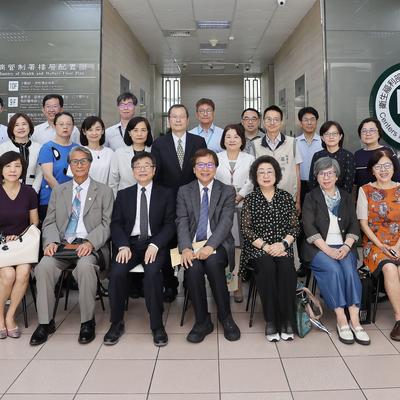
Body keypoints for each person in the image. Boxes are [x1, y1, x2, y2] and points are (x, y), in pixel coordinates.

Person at [29, 146, 114, 346]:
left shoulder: (104, 190)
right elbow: (48, 222)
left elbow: (108, 223)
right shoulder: (59, 191)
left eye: (83, 161)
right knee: (44, 267)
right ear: (69, 165)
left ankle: (87, 322)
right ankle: (45, 322)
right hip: (62, 245)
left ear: (90, 163)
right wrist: (50, 242)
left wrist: (91, 242)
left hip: (90, 246)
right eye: (75, 162)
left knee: (85, 267)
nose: (79, 165)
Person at [105, 152, 176, 346]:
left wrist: (155, 245)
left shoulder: (166, 193)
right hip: (130, 245)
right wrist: (122, 246)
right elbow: (116, 224)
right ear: (133, 171)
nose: (142, 169)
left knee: (153, 273)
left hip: (155, 244)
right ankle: (116, 322)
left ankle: (157, 325)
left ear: (154, 170)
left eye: (147, 166)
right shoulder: (123, 194)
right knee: (117, 273)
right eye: (138, 166)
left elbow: (170, 225)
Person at [301, 157, 370, 345]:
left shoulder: (346, 197)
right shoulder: (311, 196)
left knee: (349, 270)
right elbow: (308, 226)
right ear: (317, 176)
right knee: (333, 270)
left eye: (330, 173)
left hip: (343, 246)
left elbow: (354, 227)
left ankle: (355, 321)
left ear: (337, 175)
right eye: (322, 174)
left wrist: (346, 247)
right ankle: (341, 319)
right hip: (318, 248)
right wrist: (328, 250)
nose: (326, 177)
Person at [176, 148, 241, 343]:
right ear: (194, 169)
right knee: (193, 269)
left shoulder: (227, 190)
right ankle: (202, 320)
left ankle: (225, 316)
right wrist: (186, 248)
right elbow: (181, 221)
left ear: (216, 168)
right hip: (192, 244)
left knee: (213, 264)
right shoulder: (184, 191)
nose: (206, 169)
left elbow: (226, 222)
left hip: (218, 244)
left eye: (210, 164)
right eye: (201, 165)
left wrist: (210, 246)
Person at [240, 155, 300, 342]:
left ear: (277, 174)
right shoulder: (250, 199)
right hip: (258, 248)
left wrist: (282, 244)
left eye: (270, 171)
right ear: (255, 176)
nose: (266, 175)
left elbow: (295, 227)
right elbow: (246, 230)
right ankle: (271, 320)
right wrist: (267, 247)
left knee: (286, 269)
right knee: (267, 268)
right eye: (261, 172)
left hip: (282, 246)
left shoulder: (285, 197)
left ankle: (287, 320)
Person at [152, 104, 206, 302]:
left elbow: (202, 170)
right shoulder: (159, 144)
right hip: (167, 201)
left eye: (181, 116)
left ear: (188, 119)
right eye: (173, 117)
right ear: (169, 120)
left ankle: (190, 283)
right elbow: (156, 176)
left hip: (194, 200)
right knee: (169, 243)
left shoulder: (198, 141)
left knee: (191, 241)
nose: (177, 120)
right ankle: (170, 283)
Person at [357, 150, 400, 341]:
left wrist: (397, 247)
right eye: (378, 166)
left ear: (394, 168)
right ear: (372, 170)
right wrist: (382, 246)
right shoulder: (365, 190)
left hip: (399, 241)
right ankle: (399, 319)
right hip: (374, 244)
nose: (383, 170)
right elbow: (363, 224)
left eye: (387, 165)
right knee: (390, 268)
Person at [0, 151, 39, 339]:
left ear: (23, 169)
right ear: (1, 170)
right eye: (8, 166)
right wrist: (4, 237)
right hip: (1, 245)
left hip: (23, 245)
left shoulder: (29, 192)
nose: (12, 170)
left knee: (23, 272)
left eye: (17, 165)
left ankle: (10, 316)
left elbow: (34, 223)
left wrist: (19, 237)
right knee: (8, 275)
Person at [215, 124, 254, 302]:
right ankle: (220, 286)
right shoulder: (215, 157)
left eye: (236, 136)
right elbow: (211, 179)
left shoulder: (250, 159)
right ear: (223, 140)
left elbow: (251, 182)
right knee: (220, 246)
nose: (232, 140)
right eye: (228, 136)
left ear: (242, 140)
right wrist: (225, 200)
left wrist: (237, 198)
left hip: (242, 207)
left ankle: (237, 286)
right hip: (219, 208)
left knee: (238, 248)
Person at [253, 105, 303, 214]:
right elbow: (253, 175)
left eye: (276, 119)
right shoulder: (256, 145)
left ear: (281, 122)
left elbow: (297, 173)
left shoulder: (292, 143)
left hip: (289, 199)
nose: (272, 123)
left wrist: (298, 201)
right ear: (263, 122)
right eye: (268, 119)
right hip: (264, 200)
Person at [38, 112, 79, 221]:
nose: (65, 127)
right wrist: (64, 196)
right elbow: (48, 176)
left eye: (68, 124)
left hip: (75, 199)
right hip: (51, 199)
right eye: (61, 124)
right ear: (54, 127)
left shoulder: (77, 148)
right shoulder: (47, 147)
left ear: (73, 127)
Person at [353, 118, 400, 203]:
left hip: (388, 200)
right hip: (364, 200)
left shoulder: (388, 152)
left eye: (372, 130)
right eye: (364, 131)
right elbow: (355, 183)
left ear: (379, 134)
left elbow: (397, 177)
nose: (368, 134)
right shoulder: (357, 155)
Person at [109, 116, 153, 198]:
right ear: (129, 132)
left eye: (143, 130)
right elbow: (113, 182)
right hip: (125, 198)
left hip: (149, 198)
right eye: (135, 130)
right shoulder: (119, 153)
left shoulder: (154, 152)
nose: (139, 134)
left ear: (148, 132)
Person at [308, 121, 356, 194]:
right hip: (319, 200)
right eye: (327, 134)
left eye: (335, 134)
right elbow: (313, 181)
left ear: (340, 136)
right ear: (322, 138)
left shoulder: (348, 156)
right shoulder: (317, 156)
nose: (331, 137)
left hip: (342, 200)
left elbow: (349, 183)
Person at [0, 113, 43, 193]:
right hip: (7, 191)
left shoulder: (38, 148)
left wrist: (33, 192)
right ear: (11, 129)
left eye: (24, 124)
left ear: (29, 127)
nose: (21, 128)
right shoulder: (3, 147)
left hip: (32, 190)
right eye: (16, 125)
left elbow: (40, 172)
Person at [296, 107, 322, 206]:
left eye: (312, 119)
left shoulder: (323, 142)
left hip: (319, 185)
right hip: (300, 186)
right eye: (305, 120)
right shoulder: (295, 142)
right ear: (300, 122)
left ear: (317, 121)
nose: (309, 123)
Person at [79, 116, 113, 185]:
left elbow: (113, 178)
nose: (94, 133)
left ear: (102, 131)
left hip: (104, 193)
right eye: (90, 130)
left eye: (97, 129)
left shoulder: (110, 153)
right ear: (84, 132)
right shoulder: (79, 152)